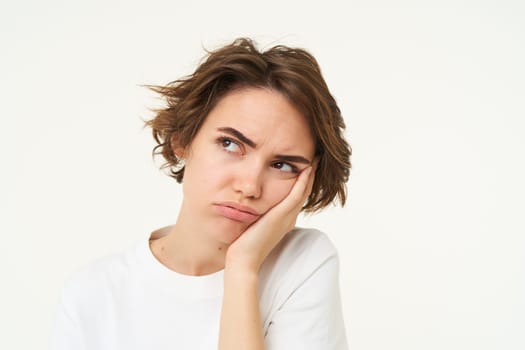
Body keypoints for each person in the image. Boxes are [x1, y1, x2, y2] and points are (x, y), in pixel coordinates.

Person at [49, 37, 352, 350]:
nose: (249, 186)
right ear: (182, 140)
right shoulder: (93, 294)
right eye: (230, 144)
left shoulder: (302, 262)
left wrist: (242, 269)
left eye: (283, 165)